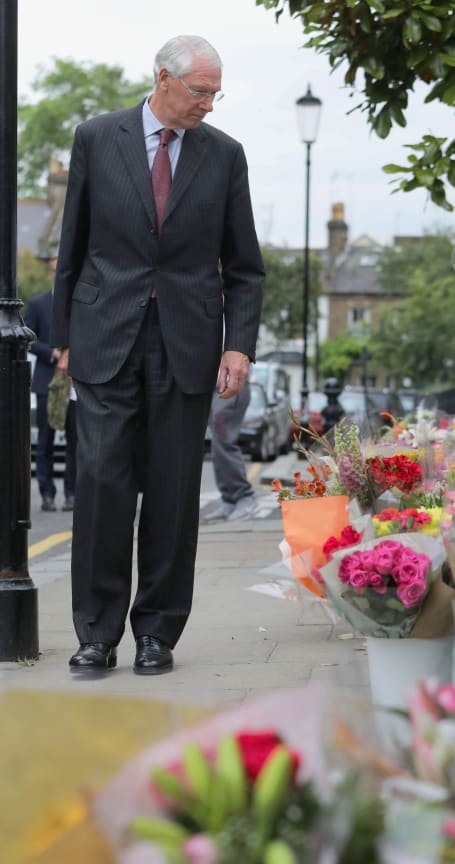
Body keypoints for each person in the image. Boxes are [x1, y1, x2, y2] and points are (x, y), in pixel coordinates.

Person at [50, 35, 264, 676]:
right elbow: (74, 242)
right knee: (101, 485)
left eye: (214, 93)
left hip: (188, 342)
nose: (208, 104)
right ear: (163, 79)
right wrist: (62, 334)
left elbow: (245, 266)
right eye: (200, 91)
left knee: (173, 493)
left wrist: (238, 346)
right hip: (105, 333)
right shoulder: (96, 137)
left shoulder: (225, 157)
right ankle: (96, 632)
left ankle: (157, 633)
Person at [25, 256, 76, 512]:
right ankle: (47, 494)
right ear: (50, 274)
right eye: (55, 270)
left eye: (62, 270)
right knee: (45, 442)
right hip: (46, 383)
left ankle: (71, 493)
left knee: (75, 442)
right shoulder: (38, 304)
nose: (58, 274)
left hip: (73, 383)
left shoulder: (78, 303)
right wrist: (52, 353)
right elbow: (28, 339)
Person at [204, 382, 257, 522]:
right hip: (214, 386)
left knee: (224, 442)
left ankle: (245, 497)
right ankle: (229, 500)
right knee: (217, 444)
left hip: (231, 381)